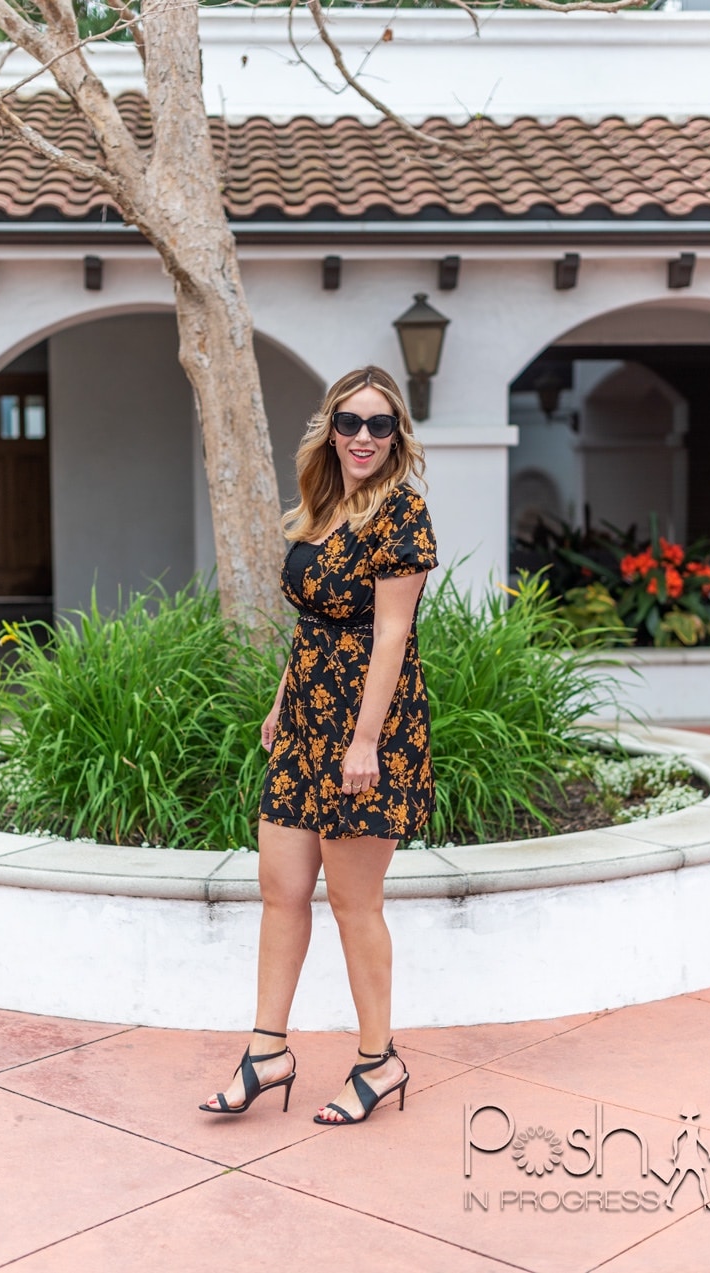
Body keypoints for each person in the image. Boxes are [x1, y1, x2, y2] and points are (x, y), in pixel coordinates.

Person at [199, 365, 438, 1125]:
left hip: (371, 726)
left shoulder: (402, 512)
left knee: (354, 900)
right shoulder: (323, 506)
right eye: (350, 422)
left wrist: (365, 741)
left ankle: (378, 1059)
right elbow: (313, 622)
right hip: (306, 718)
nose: (363, 436)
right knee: (281, 888)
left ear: (396, 435)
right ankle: (267, 1051)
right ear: (330, 430)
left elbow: (391, 634)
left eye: (379, 424)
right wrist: (282, 700)